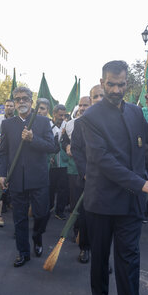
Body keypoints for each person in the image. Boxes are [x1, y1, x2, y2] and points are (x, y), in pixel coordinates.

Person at [80, 60, 148, 295]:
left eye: (121, 84)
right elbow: (103, 161)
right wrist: (141, 183)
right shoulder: (89, 118)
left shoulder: (137, 112)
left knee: (129, 259)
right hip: (102, 200)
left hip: (129, 202)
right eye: (111, 84)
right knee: (100, 255)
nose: (116, 89)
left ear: (128, 84)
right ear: (102, 82)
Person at [0, 86, 55, 267]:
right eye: (17, 99)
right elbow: (3, 152)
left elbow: (52, 147)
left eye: (24, 98)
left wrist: (33, 139)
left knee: (41, 214)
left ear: (31, 101)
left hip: (38, 178)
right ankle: (23, 252)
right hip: (16, 179)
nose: (21, 102)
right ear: (14, 103)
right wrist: (1, 174)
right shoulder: (7, 124)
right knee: (19, 218)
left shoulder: (43, 122)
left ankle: (37, 236)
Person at [61, 96, 91, 262]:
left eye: (85, 105)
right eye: (80, 105)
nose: (82, 108)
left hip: (105, 177)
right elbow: (73, 147)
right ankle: (83, 244)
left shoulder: (106, 122)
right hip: (81, 174)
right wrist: (66, 146)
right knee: (81, 210)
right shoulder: (75, 124)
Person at [49, 104, 69, 220]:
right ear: (54, 114)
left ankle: (59, 211)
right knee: (50, 187)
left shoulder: (67, 125)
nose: (62, 117)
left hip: (64, 162)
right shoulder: (48, 126)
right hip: (51, 163)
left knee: (63, 187)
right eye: (60, 115)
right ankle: (49, 206)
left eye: (64, 115)